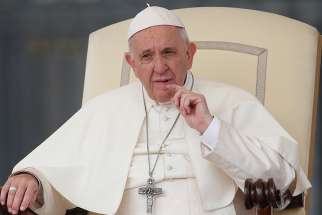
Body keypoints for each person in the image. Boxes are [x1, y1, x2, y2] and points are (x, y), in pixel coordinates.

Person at [0, 6, 311, 215]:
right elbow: (54, 166)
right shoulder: (106, 108)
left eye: (169, 52)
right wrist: (32, 177)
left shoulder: (233, 101)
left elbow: (282, 180)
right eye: (147, 56)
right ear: (132, 64)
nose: (159, 67)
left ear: (190, 55)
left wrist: (210, 128)